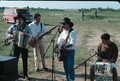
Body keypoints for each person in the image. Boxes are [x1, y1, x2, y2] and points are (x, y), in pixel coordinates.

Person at [6, 13, 31, 80]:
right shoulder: (13, 27)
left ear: (23, 20)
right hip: (16, 45)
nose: (18, 20)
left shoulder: (27, 27)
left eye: (20, 19)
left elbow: (30, 34)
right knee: (15, 60)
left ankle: (25, 75)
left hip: (24, 45)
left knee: (25, 60)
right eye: (17, 19)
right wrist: (11, 36)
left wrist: (27, 36)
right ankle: (15, 74)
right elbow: (7, 33)